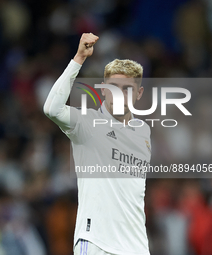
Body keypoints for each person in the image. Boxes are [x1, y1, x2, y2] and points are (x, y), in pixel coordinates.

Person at [43, 33, 151, 255]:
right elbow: (52, 109)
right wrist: (79, 59)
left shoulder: (143, 133)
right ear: (103, 89)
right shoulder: (88, 123)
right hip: (97, 243)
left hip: (136, 247)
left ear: (138, 93)